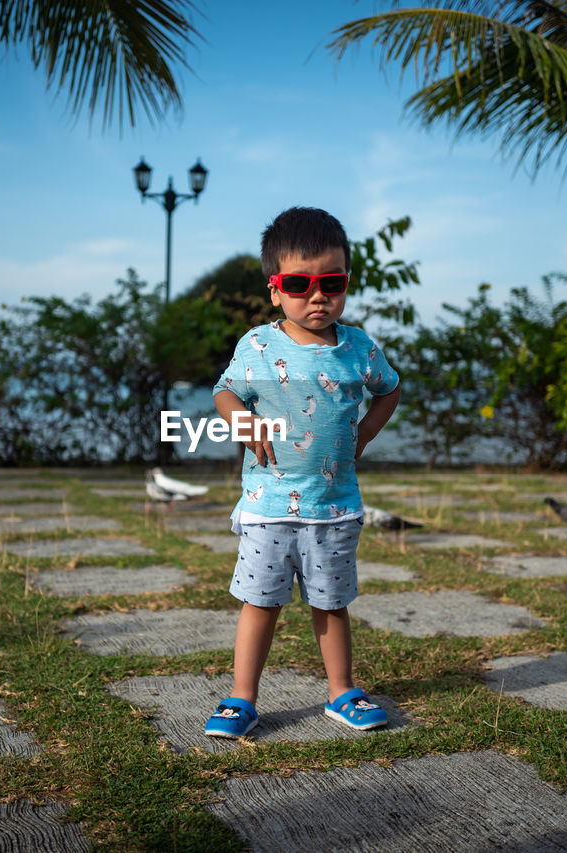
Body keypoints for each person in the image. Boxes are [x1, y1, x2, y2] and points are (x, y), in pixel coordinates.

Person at [204, 206, 401, 738]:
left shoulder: (359, 347)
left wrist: (364, 434)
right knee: (259, 604)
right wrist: (240, 421)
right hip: (268, 506)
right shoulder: (259, 346)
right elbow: (225, 391)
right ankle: (242, 697)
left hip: (333, 507)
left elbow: (390, 389)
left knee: (331, 604)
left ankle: (342, 692)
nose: (317, 295)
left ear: (345, 283)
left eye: (331, 282)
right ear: (275, 289)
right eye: (299, 283)